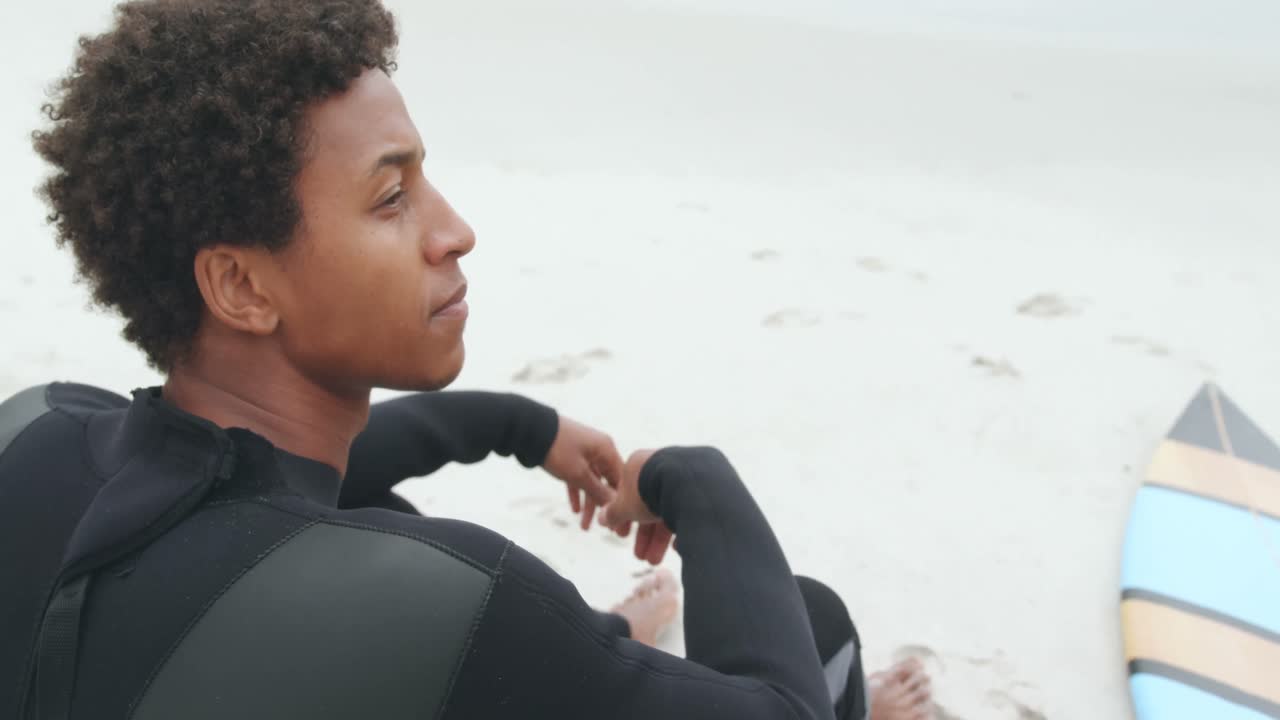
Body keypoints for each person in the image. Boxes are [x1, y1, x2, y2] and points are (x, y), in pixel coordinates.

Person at [0, 1, 934, 719]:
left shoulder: (36, 428)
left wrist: (523, 431)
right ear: (242, 286)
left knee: (379, 508)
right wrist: (694, 482)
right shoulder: (456, 604)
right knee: (812, 626)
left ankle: (612, 637)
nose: (455, 230)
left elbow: (259, 484)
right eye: (390, 198)